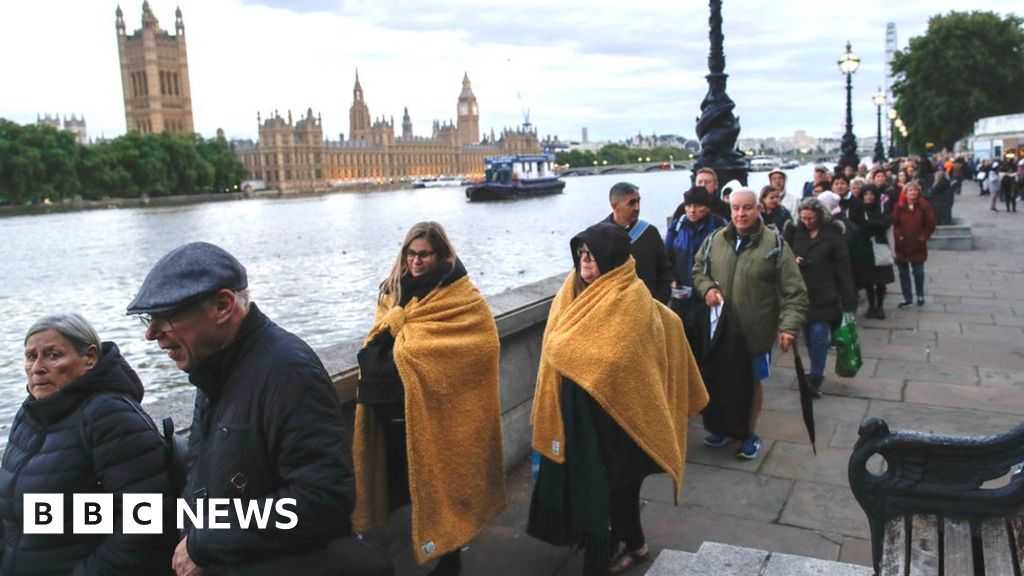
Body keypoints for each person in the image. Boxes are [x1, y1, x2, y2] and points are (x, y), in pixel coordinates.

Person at [127, 242, 385, 576]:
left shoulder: (288, 373)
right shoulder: (216, 364)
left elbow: (323, 500)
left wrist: (205, 543)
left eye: (166, 317)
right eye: (149, 319)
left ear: (223, 306)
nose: (152, 335)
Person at [528, 222, 708, 576]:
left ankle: (616, 551)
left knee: (616, 493)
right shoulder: (571, 291)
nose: (585, 260)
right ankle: (633, 546)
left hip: (621, 423)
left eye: (592, 254)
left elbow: (617, 359)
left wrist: (568, 352)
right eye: (581, 253)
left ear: (611, 258)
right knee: (603, 492)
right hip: (578, 418)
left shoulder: (630, 298)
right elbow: (556, 343)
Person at [354, 222, 505, 576]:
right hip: (391, 410)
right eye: (410, 254)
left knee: (440, 486)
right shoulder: (391, 291)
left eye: (424, 254)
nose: (416, 261)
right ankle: (413, 545)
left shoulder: (459, 294)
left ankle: (449, 558)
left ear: (440, 255)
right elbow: (376, 339)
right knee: (401, 485)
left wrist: (408, 351)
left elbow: (485, 344)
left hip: (437, 412)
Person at [0, 313, 176, 576]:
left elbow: (144, 520)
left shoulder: (109, 416)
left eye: (52, 355)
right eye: (30, 356)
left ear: (90, 358)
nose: (37, 367)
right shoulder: (30, 414)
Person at [692, 188, 808, 459]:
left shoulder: (775, 245)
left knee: (751, 383)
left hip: (754, 333)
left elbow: (795, 292)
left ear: (758, 209)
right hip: (721, 332)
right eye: (736, 208)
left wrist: (789, 327)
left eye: (747, 208)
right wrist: (708, 288)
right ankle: (722, 427)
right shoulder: (715, 240)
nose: (741, 214)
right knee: (720, 380)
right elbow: (698, 270)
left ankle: (747, 433)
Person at [784, 199, 856, 397]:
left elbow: (843, 268)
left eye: (811, 218)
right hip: (802, 294)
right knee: (808, 336)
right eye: (803, 218)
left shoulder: (833, 235)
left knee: (818, 334)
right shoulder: (794, 232)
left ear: (820, 216)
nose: (807, 222)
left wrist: (848, 301)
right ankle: (816, 368)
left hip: (826, 294)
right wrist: (794, 260)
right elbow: (784, 256)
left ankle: (816, 376)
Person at [665, 186, 728, 326]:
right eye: (688, 206)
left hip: (710, 294)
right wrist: (672, 278)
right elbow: (667, 256)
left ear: (707, 207)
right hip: (682, 294)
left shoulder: (720, 225)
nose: (692, 210)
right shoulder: (678, 226)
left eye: (698, 206)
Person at [602, 182, 672, 303]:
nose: (637, 207)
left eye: (638, 201)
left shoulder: (650, 233)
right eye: (631, 203)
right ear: (614, 206)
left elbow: (665, 272)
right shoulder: (599, 237)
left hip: (649, 305)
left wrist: (659, 300)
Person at [851, 185, 896, 319]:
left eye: (871, 194)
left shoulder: (882, 207)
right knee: (868, 279)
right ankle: (871, 306)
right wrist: (875, 224)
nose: (869, 197)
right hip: (864, 247)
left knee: (881, 280)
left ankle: (880, 306)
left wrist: (870, 223)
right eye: (866, 194)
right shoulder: (859, 208)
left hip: (880, 245)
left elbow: (887, 222)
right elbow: (857, 225)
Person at [892, 182, 937, 308]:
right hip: (902, 245)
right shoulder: (899, 206)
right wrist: (898, 236)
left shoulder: (924, 205)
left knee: (919, 273)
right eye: (910, 190)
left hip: (918, 245)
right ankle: (907, 298)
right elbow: (894, 223)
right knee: (903, 274)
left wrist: (922, 237)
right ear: (905, 193)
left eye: (915, 190)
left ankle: (920, 294)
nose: (913, 192)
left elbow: (931, 224)